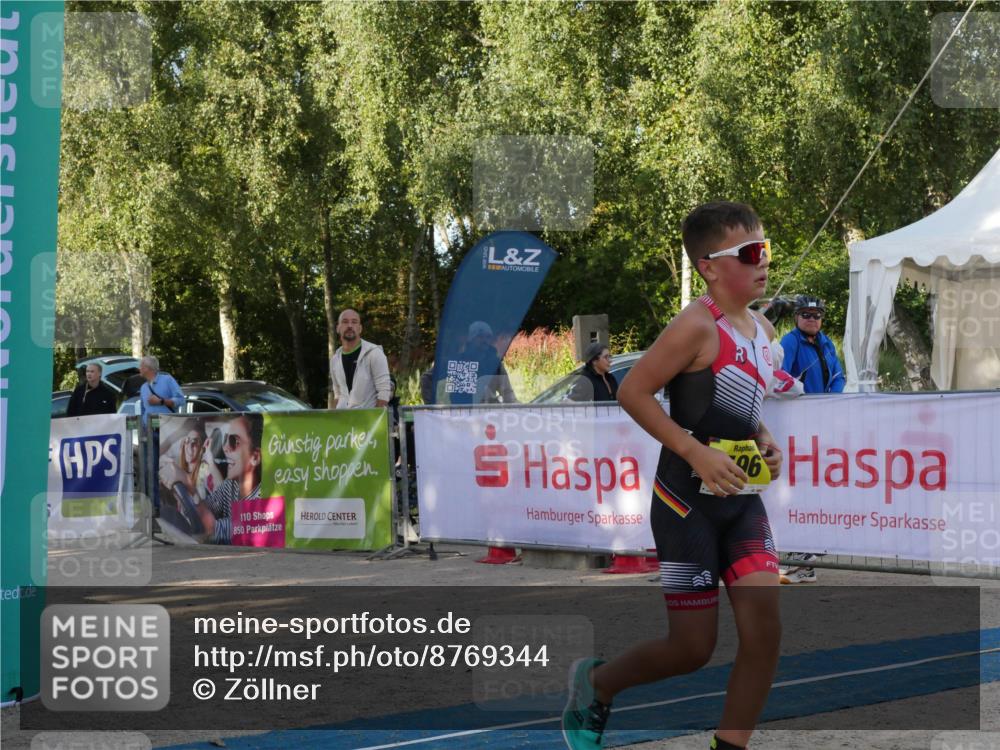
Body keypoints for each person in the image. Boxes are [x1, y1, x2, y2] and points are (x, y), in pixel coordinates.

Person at [562, 201, 783, 750]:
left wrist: (765, 440)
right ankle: (596, 684)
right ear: (709, 266)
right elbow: (634, 392)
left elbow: (743, 407)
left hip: (741, 501)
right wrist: (694, 453)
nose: (764, 262)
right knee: (692, 649)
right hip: (686, 505)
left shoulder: (762, 325)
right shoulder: (695, 324)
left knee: (765, 636)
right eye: (751, 253)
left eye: (766, 249)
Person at [195, 414, 262, 545]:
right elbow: (207, 506)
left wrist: (187, 485)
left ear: (255, 457)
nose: (225, 447)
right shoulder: (230, 485)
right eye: (225, 440)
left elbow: (211, 530)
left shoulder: (261, 499)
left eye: (234, 441)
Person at [139, 355, 185, 514]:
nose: (139, 368)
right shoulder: (144, 387)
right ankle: (154, 505)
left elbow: (180, 400)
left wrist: (160, 401)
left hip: (166, 430)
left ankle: (172, 507)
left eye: (141, 366)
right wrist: (142, 426)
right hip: (149, 431)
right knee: (149, 469)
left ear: (148, 368)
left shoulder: (167, 380)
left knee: (169, 468)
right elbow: (143, 410)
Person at [779, 295, 845, 394]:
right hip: (800, 404)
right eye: (805, 314)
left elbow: (838, 376)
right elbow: (780, 375)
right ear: (796, 317)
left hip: (824, 405)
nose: (812, 319)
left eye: (817, 315)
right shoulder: (790, 341)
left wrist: (831, 399)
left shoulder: (827, 343)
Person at [330, 308, 392, 409]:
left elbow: (384, 393)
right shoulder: (335, 359)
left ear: (360, 328)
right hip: (342, 421)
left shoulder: (374, 353)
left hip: (367, 422)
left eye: (354, 322)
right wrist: (331, 420)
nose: (350, 326)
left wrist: (374, 421)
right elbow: (337, 395)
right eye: (345, 322)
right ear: (338, 328)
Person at [448, 321, 518, 405]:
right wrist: (433, 409)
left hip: (489, 414)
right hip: (462, 414)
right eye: (480, 336)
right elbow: (429, 379)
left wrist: (517, 411)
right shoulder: (459, 361)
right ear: (471, 339)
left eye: (488, 337)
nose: (485, 340)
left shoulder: (495, 364)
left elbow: (507, 393)